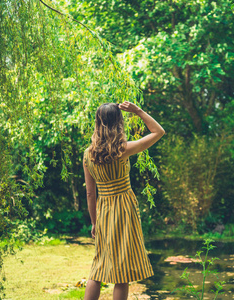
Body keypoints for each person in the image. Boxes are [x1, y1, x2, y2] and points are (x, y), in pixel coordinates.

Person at [82, 101, 165, 300]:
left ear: (97, 123)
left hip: (103, 211)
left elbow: (90, 194)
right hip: (124, 209)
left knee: (98, 266)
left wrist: (94, 222)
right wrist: (138, 111)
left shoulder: (88, 154)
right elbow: (158, 132)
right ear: (117, 123)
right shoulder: (122, 149)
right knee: (122, 270)